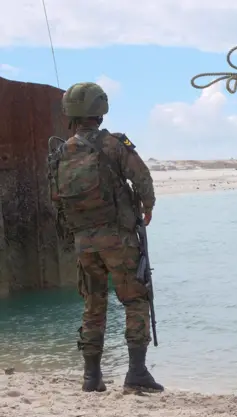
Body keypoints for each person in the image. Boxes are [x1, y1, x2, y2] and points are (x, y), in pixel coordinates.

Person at [49, 82, 163, 393]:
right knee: (136, 299)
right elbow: (142, 177)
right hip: (118, 238)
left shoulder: (61, 151)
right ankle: (137, 373)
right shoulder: (114, 143)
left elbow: (57, 199)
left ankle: (91, 377)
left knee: (93, 304)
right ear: (101, 110)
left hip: (84, 242)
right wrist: (148, 207)